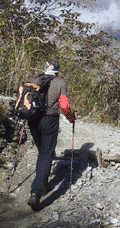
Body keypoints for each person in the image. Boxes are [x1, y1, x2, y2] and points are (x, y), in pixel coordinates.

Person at [27, 61, 77, 211]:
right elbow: (64, 104)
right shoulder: (60, 82)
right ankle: (36, 192)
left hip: (32, 120)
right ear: (57, 72)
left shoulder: (33, 80)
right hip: (49, 120)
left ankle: (43, 184)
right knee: (47, 154)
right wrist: (71, 118)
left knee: (43, 153)